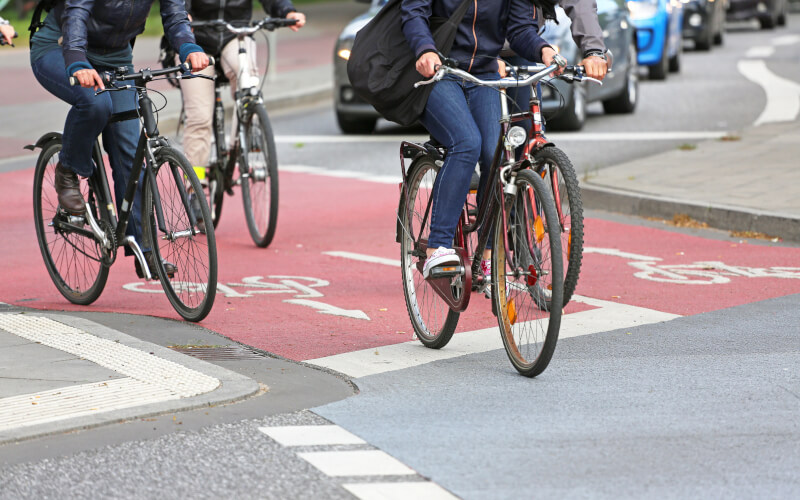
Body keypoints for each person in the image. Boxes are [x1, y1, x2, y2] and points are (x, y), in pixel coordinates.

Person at [30, 0, 209, 278]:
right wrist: (77, 59)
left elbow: (175, 17)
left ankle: (145, 250)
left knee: (129, 150)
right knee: (95, 105)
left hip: (115, 57)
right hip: (62, 46)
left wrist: (189, 46)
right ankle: (68, 170)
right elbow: (75, 14)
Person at [400, 0, 564, 280]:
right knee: (466, 143)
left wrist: (543, 49)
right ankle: (438, 247)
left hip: (484, 75)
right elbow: (414, 12)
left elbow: (520, 29)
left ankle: (488, 255)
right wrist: (425, 49)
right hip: (440, 72)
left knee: (496, 156)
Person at [180, 0, 306, 193]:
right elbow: (176, 5)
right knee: (199, 117)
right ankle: (194, 188)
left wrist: (287, 12)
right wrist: (183, 16)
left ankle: (238, 142)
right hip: (196, 39)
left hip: (235, 35)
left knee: (247, 80)